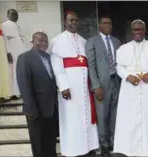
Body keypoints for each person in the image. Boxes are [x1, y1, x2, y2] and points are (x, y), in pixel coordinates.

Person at [49, 11, 99, 156]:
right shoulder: (57, 41)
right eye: (71, 20)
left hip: (84, 87)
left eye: (76, 20)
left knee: (86, 117)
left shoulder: (84, 41)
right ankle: (72, 150)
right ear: (65, 22)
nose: (74, 23)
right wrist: (63, 87)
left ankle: (87, 147)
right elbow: (57, 66)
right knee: (72, 119)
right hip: (70, 88)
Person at [114, 19, 148, 156]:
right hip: (130, 90)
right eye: (135, 30)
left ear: (145, 30)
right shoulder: (123, 49)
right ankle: (130, 150)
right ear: (131, 32)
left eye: (141, 29)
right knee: (130, 120)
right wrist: (127, 76)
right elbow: (119, 67)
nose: (138, 32)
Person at [16, 31, 58, 157]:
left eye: (45, 41)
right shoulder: (24, 57)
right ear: (32, 42)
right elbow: (24, 84)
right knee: (38, 143)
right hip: (35, 108)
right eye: (39, 40)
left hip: (51, 109)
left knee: (50, 141)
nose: (43, 43)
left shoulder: (50, 58)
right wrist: (30, 107)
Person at [85, 15, 121, 156]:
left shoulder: (116, 41)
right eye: (105, 23)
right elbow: (91, 65)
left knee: (114, 114)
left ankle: (113, 141)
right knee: (102, 114)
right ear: (99, 26)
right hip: (101, 85)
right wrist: (96, 85)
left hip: (116, 82)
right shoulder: (92, 41)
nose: (108, 26)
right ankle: (104, 143)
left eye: (110, 23)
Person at [2, 9, 29, 99]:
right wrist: (8, 52)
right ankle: (14, 93)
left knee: (20, 71)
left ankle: (20, 91)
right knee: (13, 72)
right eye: (13, 14)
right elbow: (5, 40)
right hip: (13, 52)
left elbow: (21, 39)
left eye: (16, 14)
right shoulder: (5, 25)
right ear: (8, 15)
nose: (15, 16)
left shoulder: (18, 26)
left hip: (20, 52)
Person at [0, 15, 12, 102]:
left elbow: (4, 36)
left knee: (2, 71)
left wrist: (8, 52)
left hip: (1, 48)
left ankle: (3, 94)